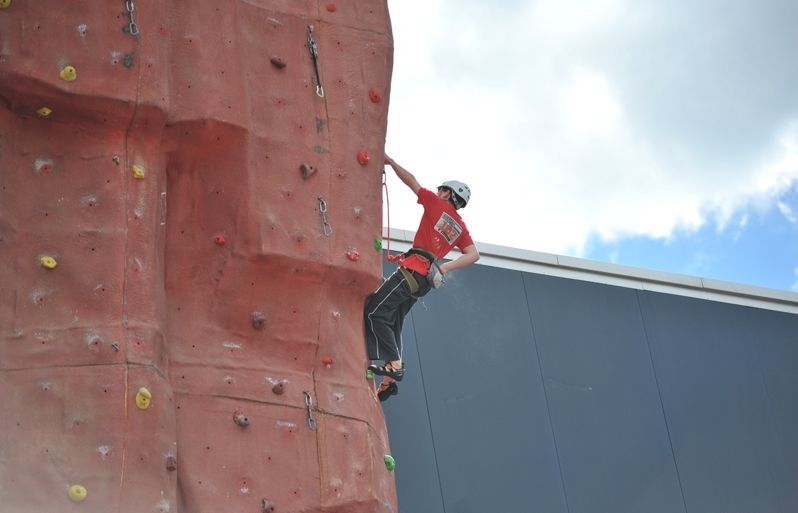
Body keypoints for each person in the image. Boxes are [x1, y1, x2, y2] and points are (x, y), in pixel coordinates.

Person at [365, 155, 480, 401]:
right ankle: (389, 379)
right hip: (424, 281)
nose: (437, 192)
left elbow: (411, 181)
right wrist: (445, 268)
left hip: (412, 270)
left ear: (448, 194)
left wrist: (389, 161)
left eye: (441, 190)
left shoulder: (437, 204)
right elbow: (474, 254)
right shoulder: (459, 226)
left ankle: (394, 366)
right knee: (393, 321)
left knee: (375, 312)